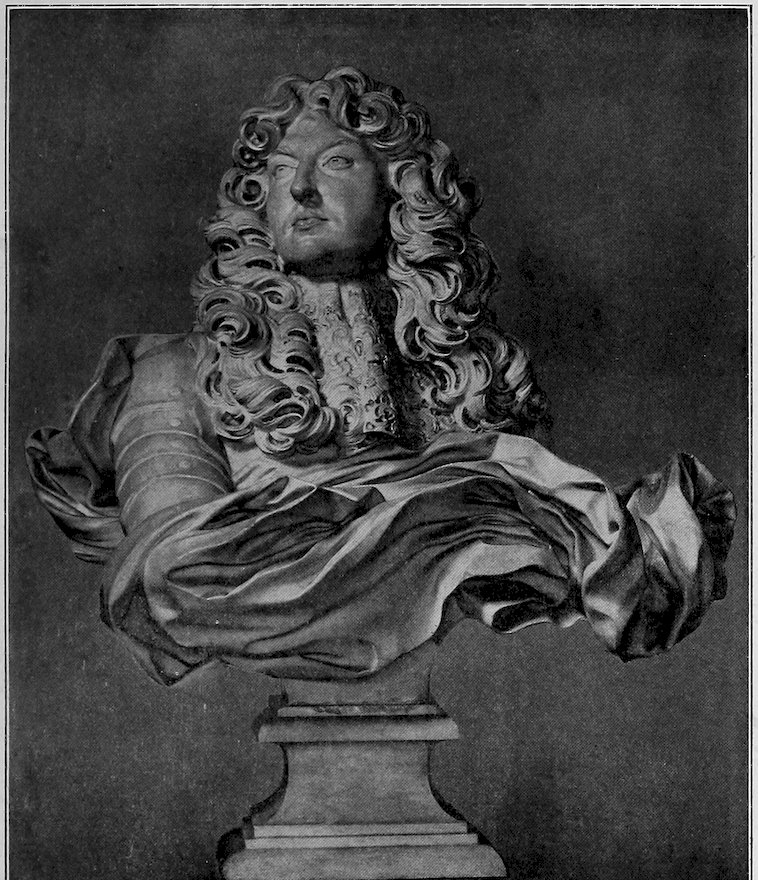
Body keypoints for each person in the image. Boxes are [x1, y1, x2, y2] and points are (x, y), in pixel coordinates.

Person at [26, 66, 735, 686]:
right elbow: (176, 574)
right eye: (278, 173)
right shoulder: (174, 375)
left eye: (336, 163)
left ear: (402, 193)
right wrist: (453, 505)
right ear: (256, 205)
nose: (302, 189)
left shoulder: (474, 378)